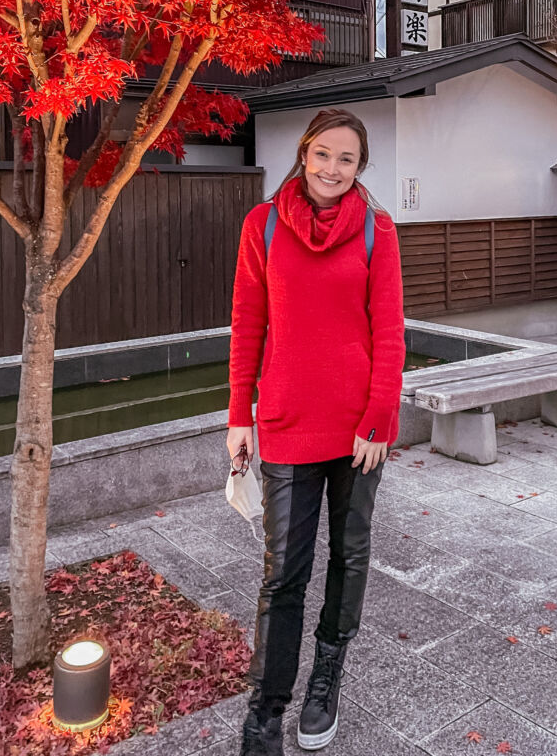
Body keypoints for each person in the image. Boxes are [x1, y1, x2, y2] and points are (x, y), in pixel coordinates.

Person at [226, 107, 406, 756]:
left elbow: (389, 332)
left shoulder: (377, 232)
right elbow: (248, 325)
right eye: (323, 154)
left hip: (360, 431)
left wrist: (380, 419)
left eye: (347, 159)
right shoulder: (263, 225)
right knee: (282, 573)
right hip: (284, 423)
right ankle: (265, 713)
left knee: (349, 556)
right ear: (304, 154)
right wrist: (238, 416)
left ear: (360, 168)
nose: (333, 169)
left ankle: (325, 680)